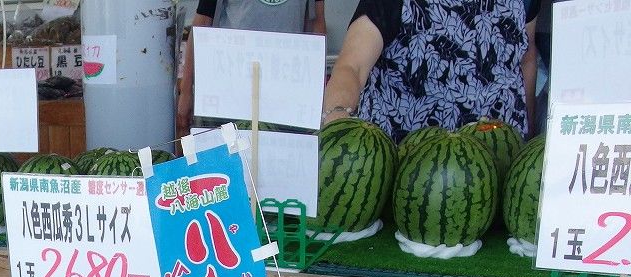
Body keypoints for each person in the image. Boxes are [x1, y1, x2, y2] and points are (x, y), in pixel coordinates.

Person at [321, 0, 540, 141]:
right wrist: (337, 116)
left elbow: (526, 57)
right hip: (408, 170)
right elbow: (352, 65)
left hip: (499, 163)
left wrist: (529, 136)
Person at [176, 0, 326, 136]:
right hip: (229, 94)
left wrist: (319, 92)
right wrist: (186, 90)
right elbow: (202, 22)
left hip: (285, 96)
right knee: (226, 162)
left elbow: (316, 24)